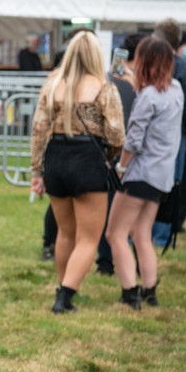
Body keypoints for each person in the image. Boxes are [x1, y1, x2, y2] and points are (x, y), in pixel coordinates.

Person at [30, 31, 125, 313]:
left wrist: (37, 170)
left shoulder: (53, 83)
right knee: (88, 238)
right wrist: (109, 156)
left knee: (65, 233)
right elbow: (117, 133)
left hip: (56, 157)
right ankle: (65, 297)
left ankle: (63, 286)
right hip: (88, 159)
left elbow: (39, 129)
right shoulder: (103, 87)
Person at [105, 37, 183, 308]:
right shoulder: (176, 89)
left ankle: (130, 293)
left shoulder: (148, 96)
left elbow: (134, 141)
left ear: (143, 61)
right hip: (161, 175)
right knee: (142, 233)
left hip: (139, 174)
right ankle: (150, 291)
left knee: (115, 233)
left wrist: (121, 168)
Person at [149, 20, 186, 249]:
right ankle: (159, 235)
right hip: (175, 135)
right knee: (169, 185)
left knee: (158, 184)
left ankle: (155, 234)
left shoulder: (155, 64)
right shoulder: (185, 68)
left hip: (162, 135)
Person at [94, 32, 144, 275]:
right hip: (130, 154)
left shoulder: (109, 80)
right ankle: (127, 262)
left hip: (112, 151)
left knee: (112, 210)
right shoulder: (141, 84)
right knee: (134, 216)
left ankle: (107, 262)